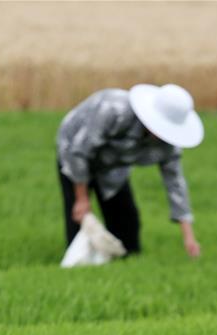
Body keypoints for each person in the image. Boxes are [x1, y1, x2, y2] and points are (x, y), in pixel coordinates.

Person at [56, 83, 203, 259]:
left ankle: (121, 261)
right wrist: (81, 199)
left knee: (127, 227)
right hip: (74, 153)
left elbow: (175, 182)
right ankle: (79, 262)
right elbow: (80, 151)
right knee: (79, 217)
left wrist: (189, 237)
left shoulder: (168, 144)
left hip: (114, 166)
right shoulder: (114, 111)